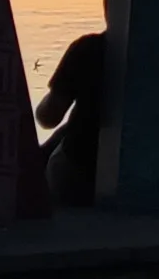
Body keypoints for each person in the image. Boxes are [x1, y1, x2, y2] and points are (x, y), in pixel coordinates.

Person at [36, 30, 109, 210]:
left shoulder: (89, 49)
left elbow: (49, 117)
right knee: (64, 131)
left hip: (81, 171)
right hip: (155, 170)